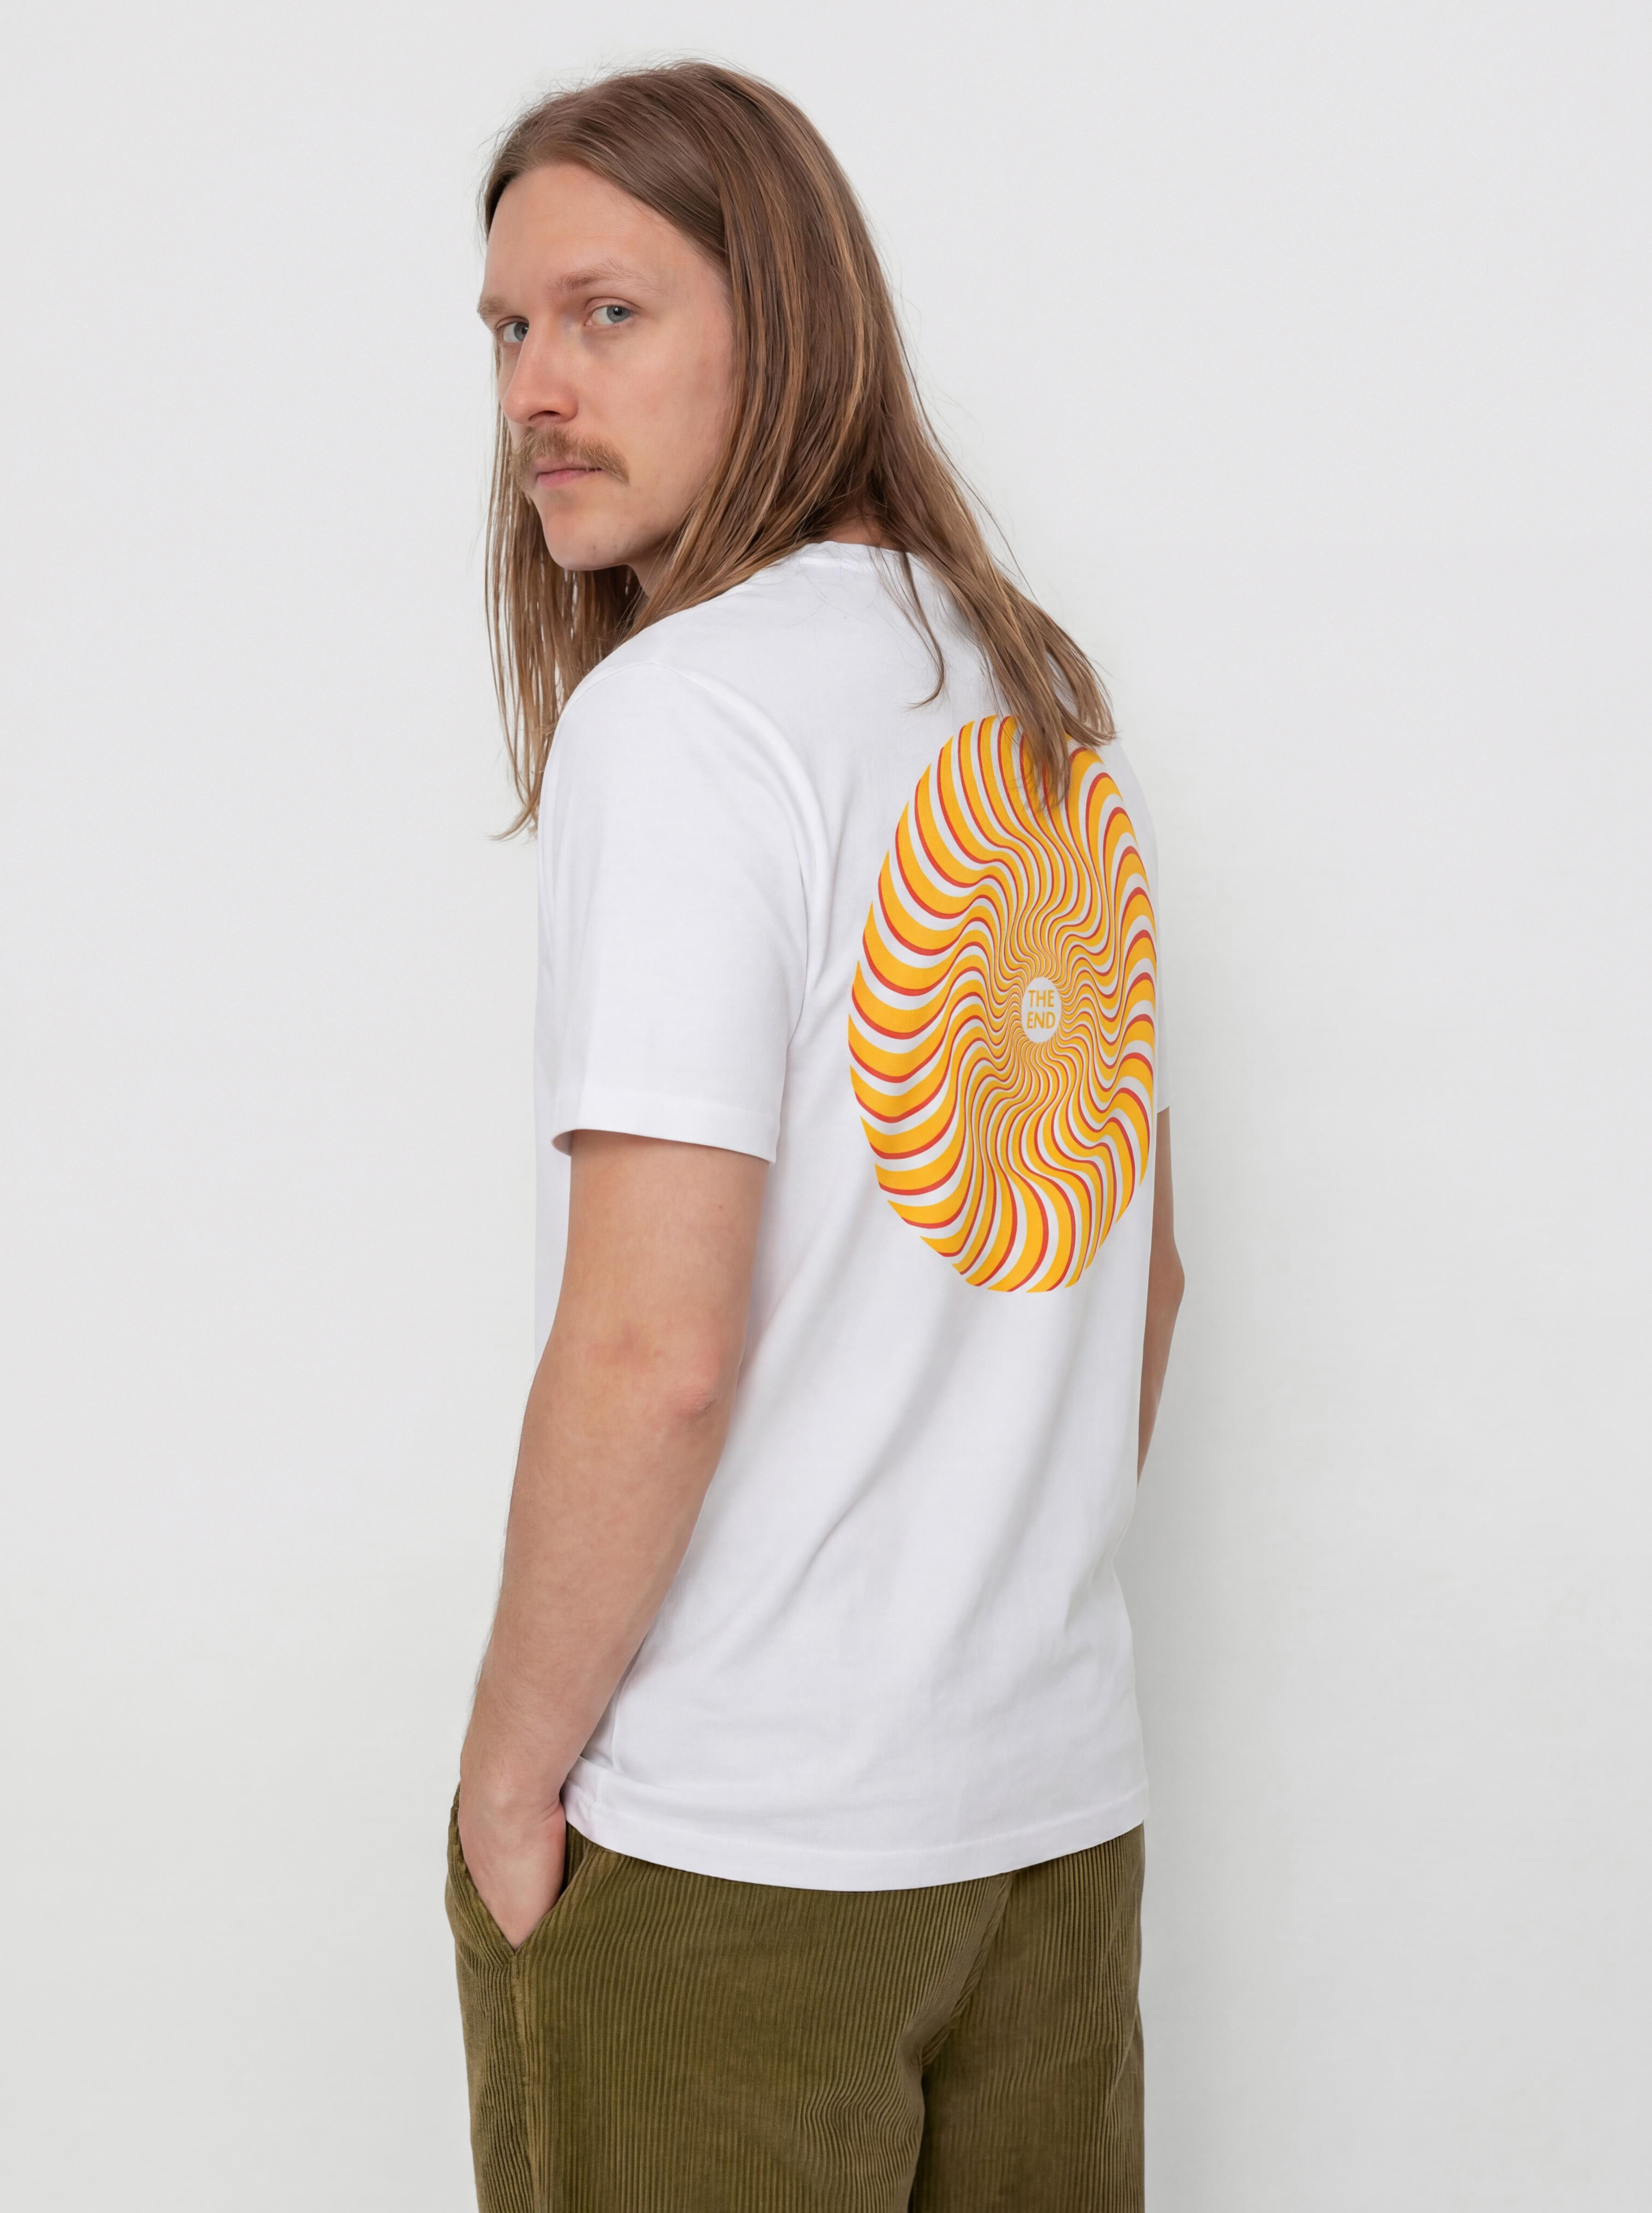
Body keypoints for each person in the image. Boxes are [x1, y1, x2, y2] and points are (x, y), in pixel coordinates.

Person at [448, 59, 1184, 2213]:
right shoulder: (1029, 692)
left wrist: (506, 1784)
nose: (536, 392)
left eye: (607, 315)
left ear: (780, 321)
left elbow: (652, 1351)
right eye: (508, 329)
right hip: (1045, 1825)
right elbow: (1140, 1272)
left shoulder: (685, 717)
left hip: (741, 1851)